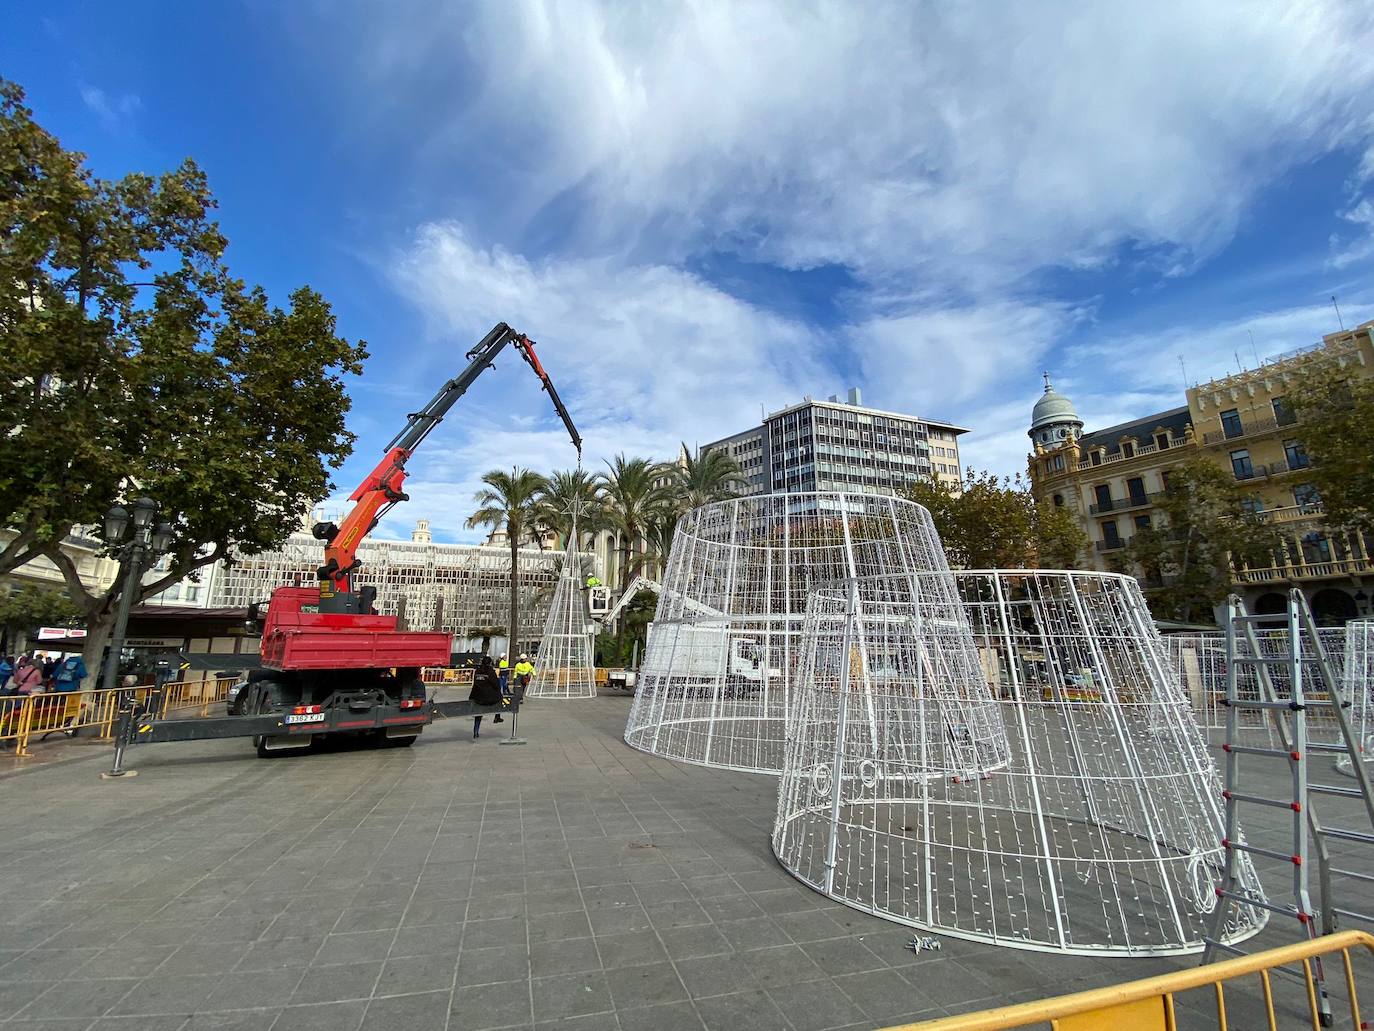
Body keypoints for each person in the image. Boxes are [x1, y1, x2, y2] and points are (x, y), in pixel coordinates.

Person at [469, 656, 502, 739]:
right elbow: (496, 685)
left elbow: (475, 683)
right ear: (490, 663)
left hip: (478, 697)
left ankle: (475, 732)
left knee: (478, 714)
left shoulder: (477, 671)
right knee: (500, 697)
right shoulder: (491, 671)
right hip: (489, 699)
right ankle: (497, 716)